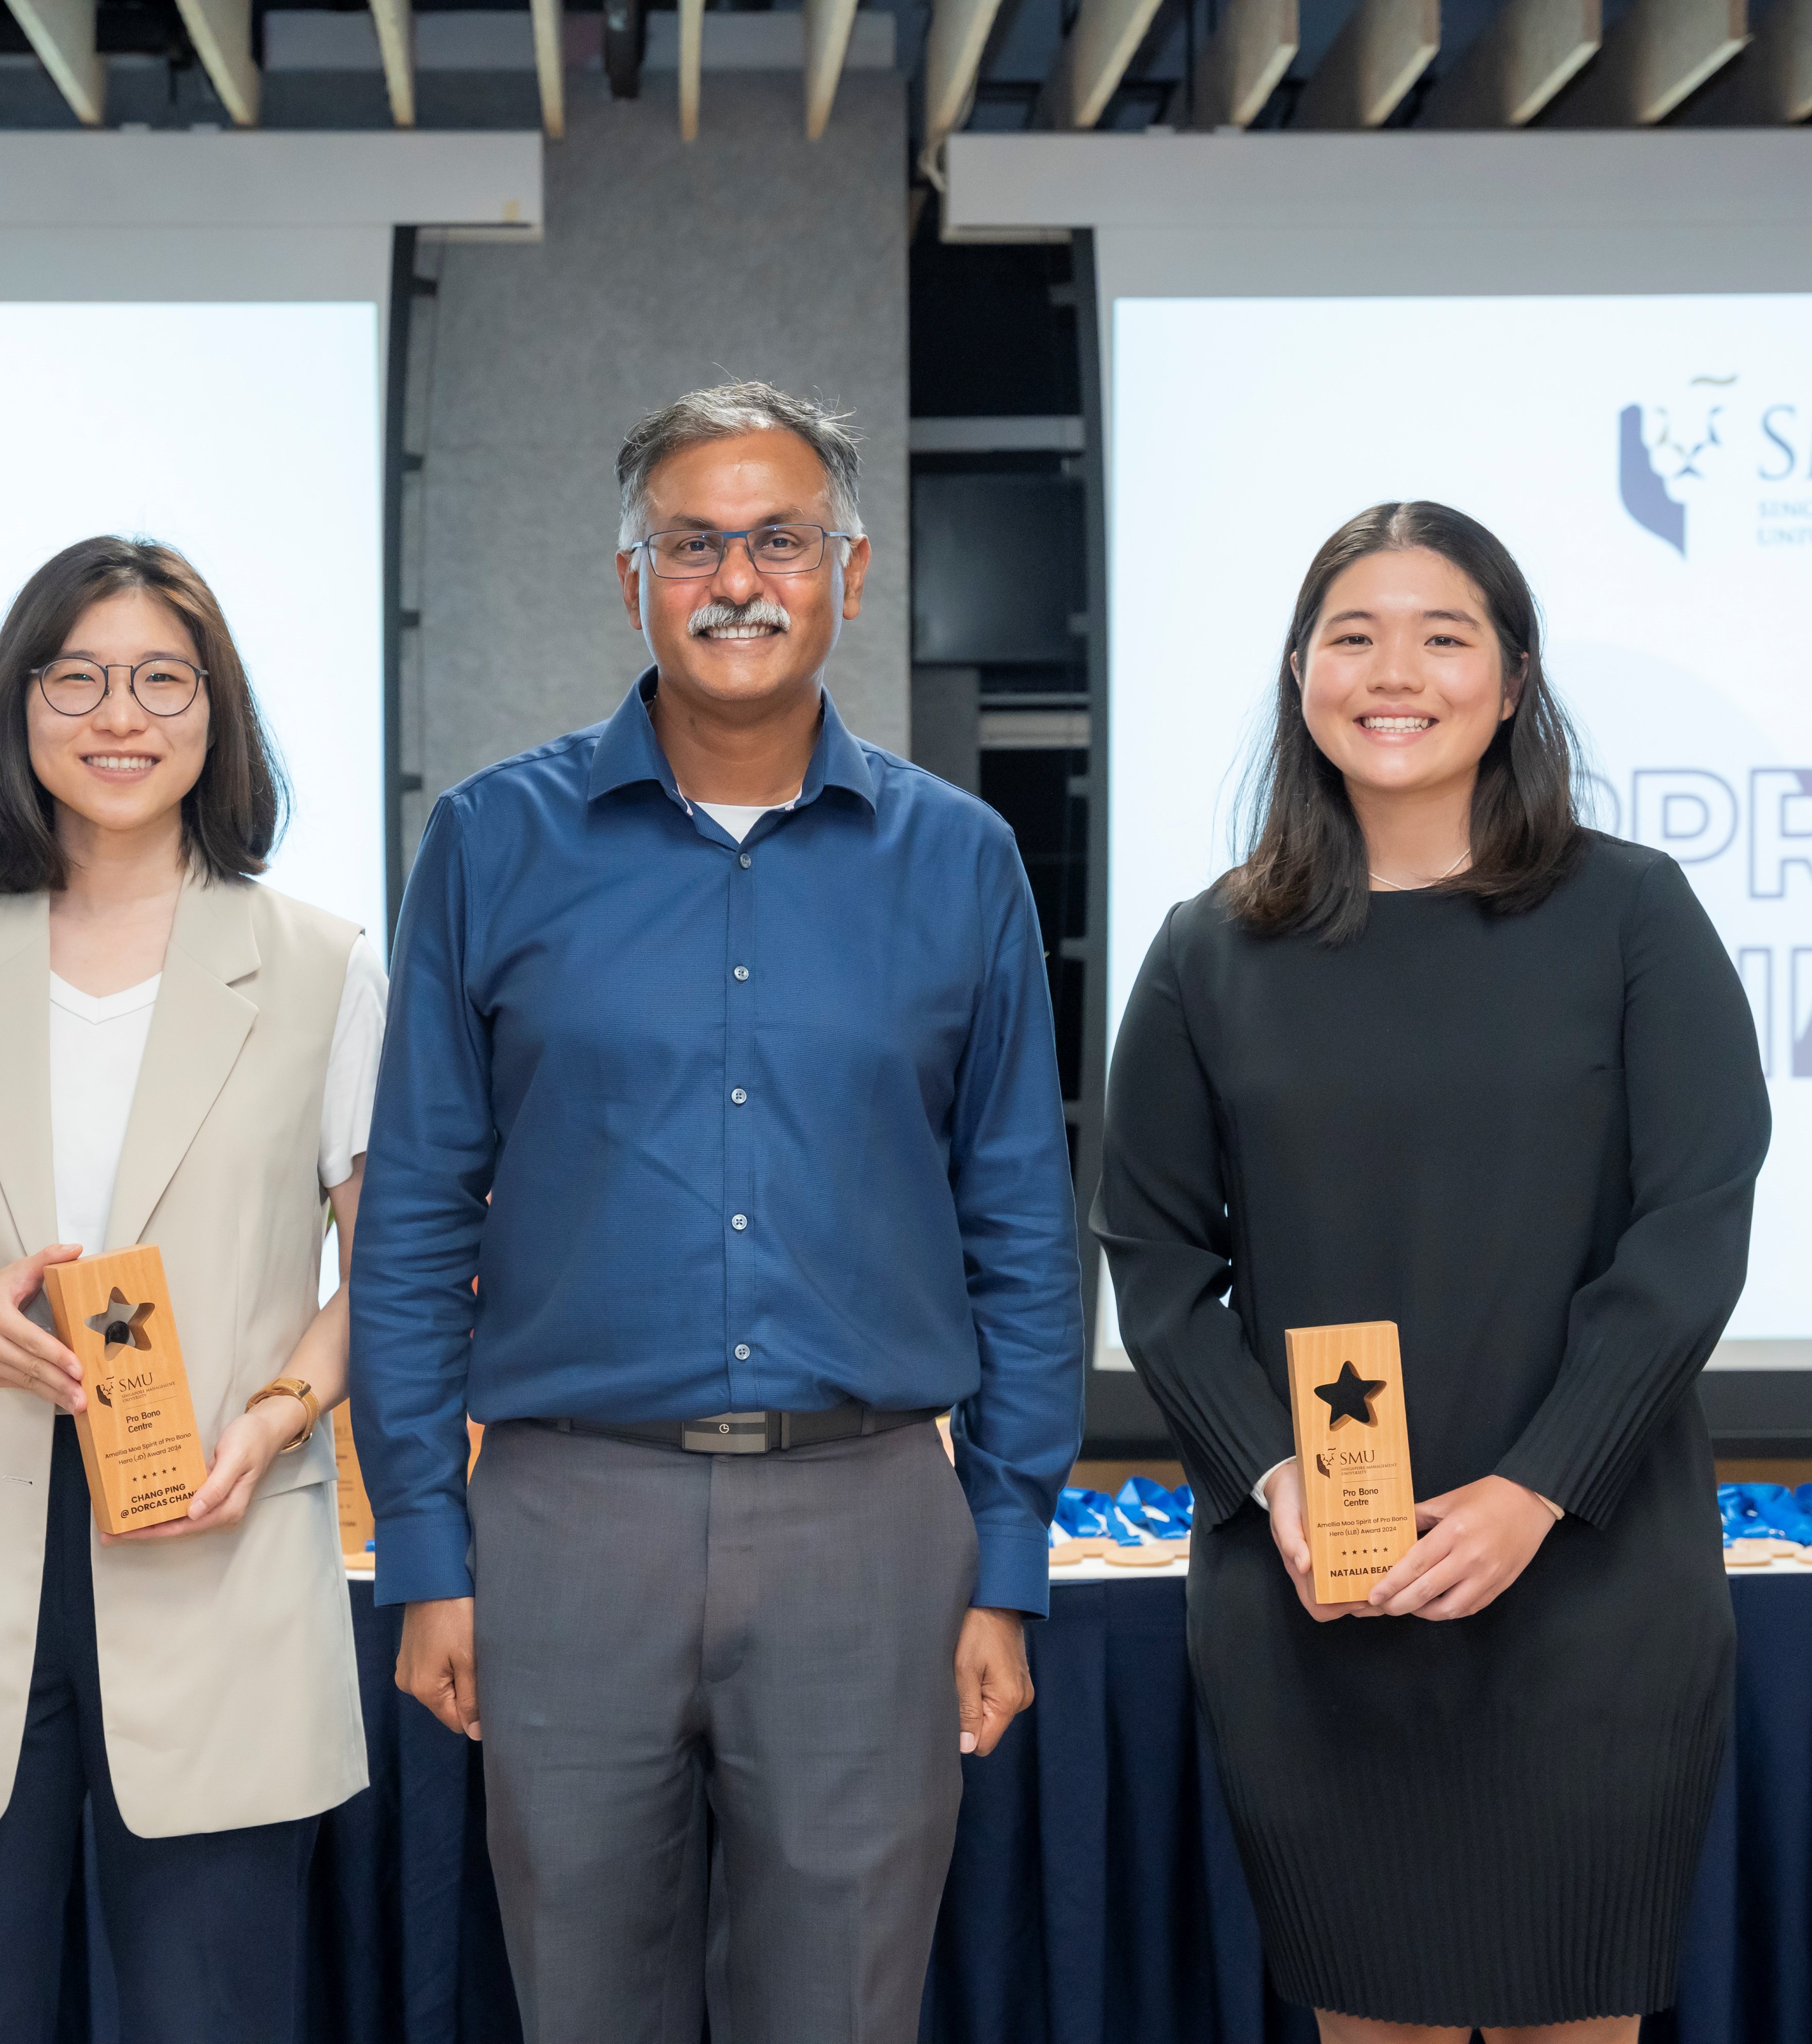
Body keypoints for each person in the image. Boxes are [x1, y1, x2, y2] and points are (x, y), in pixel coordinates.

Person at [349, 381, 1086, 2041]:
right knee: (583, 2007)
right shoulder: (490, 842)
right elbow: (411, 1220)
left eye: (780, 539)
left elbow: (1024, 1226)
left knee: (842, 2012)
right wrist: (423, 1544)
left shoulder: (961, 861)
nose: (737, 578)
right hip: (563, 1525)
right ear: (632, 581)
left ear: (851, 570)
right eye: (693, 543)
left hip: (873, 1525)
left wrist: (1014, 1554)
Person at [1094, 502, 1768, 2043]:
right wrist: (1272, 1479)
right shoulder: (1211, 953)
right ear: (1299, 674)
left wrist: (1538, 1489)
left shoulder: (1632, 915)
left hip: (1594, 1588)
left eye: (1445, 635)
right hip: (1321, 1597)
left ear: (1514, 682)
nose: (1396, 671)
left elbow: (1691, 1234)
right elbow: (1153, 1261)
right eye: (1354, 634)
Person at [0, 536, 381, 2042]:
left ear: (216, 715)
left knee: (210, 2009)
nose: (123, 716)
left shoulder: (318, 967)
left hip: (212, 1527)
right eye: (80, 679)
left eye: (164, 681)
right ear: (21, 707)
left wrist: (285, 1413)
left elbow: (392, 1269)